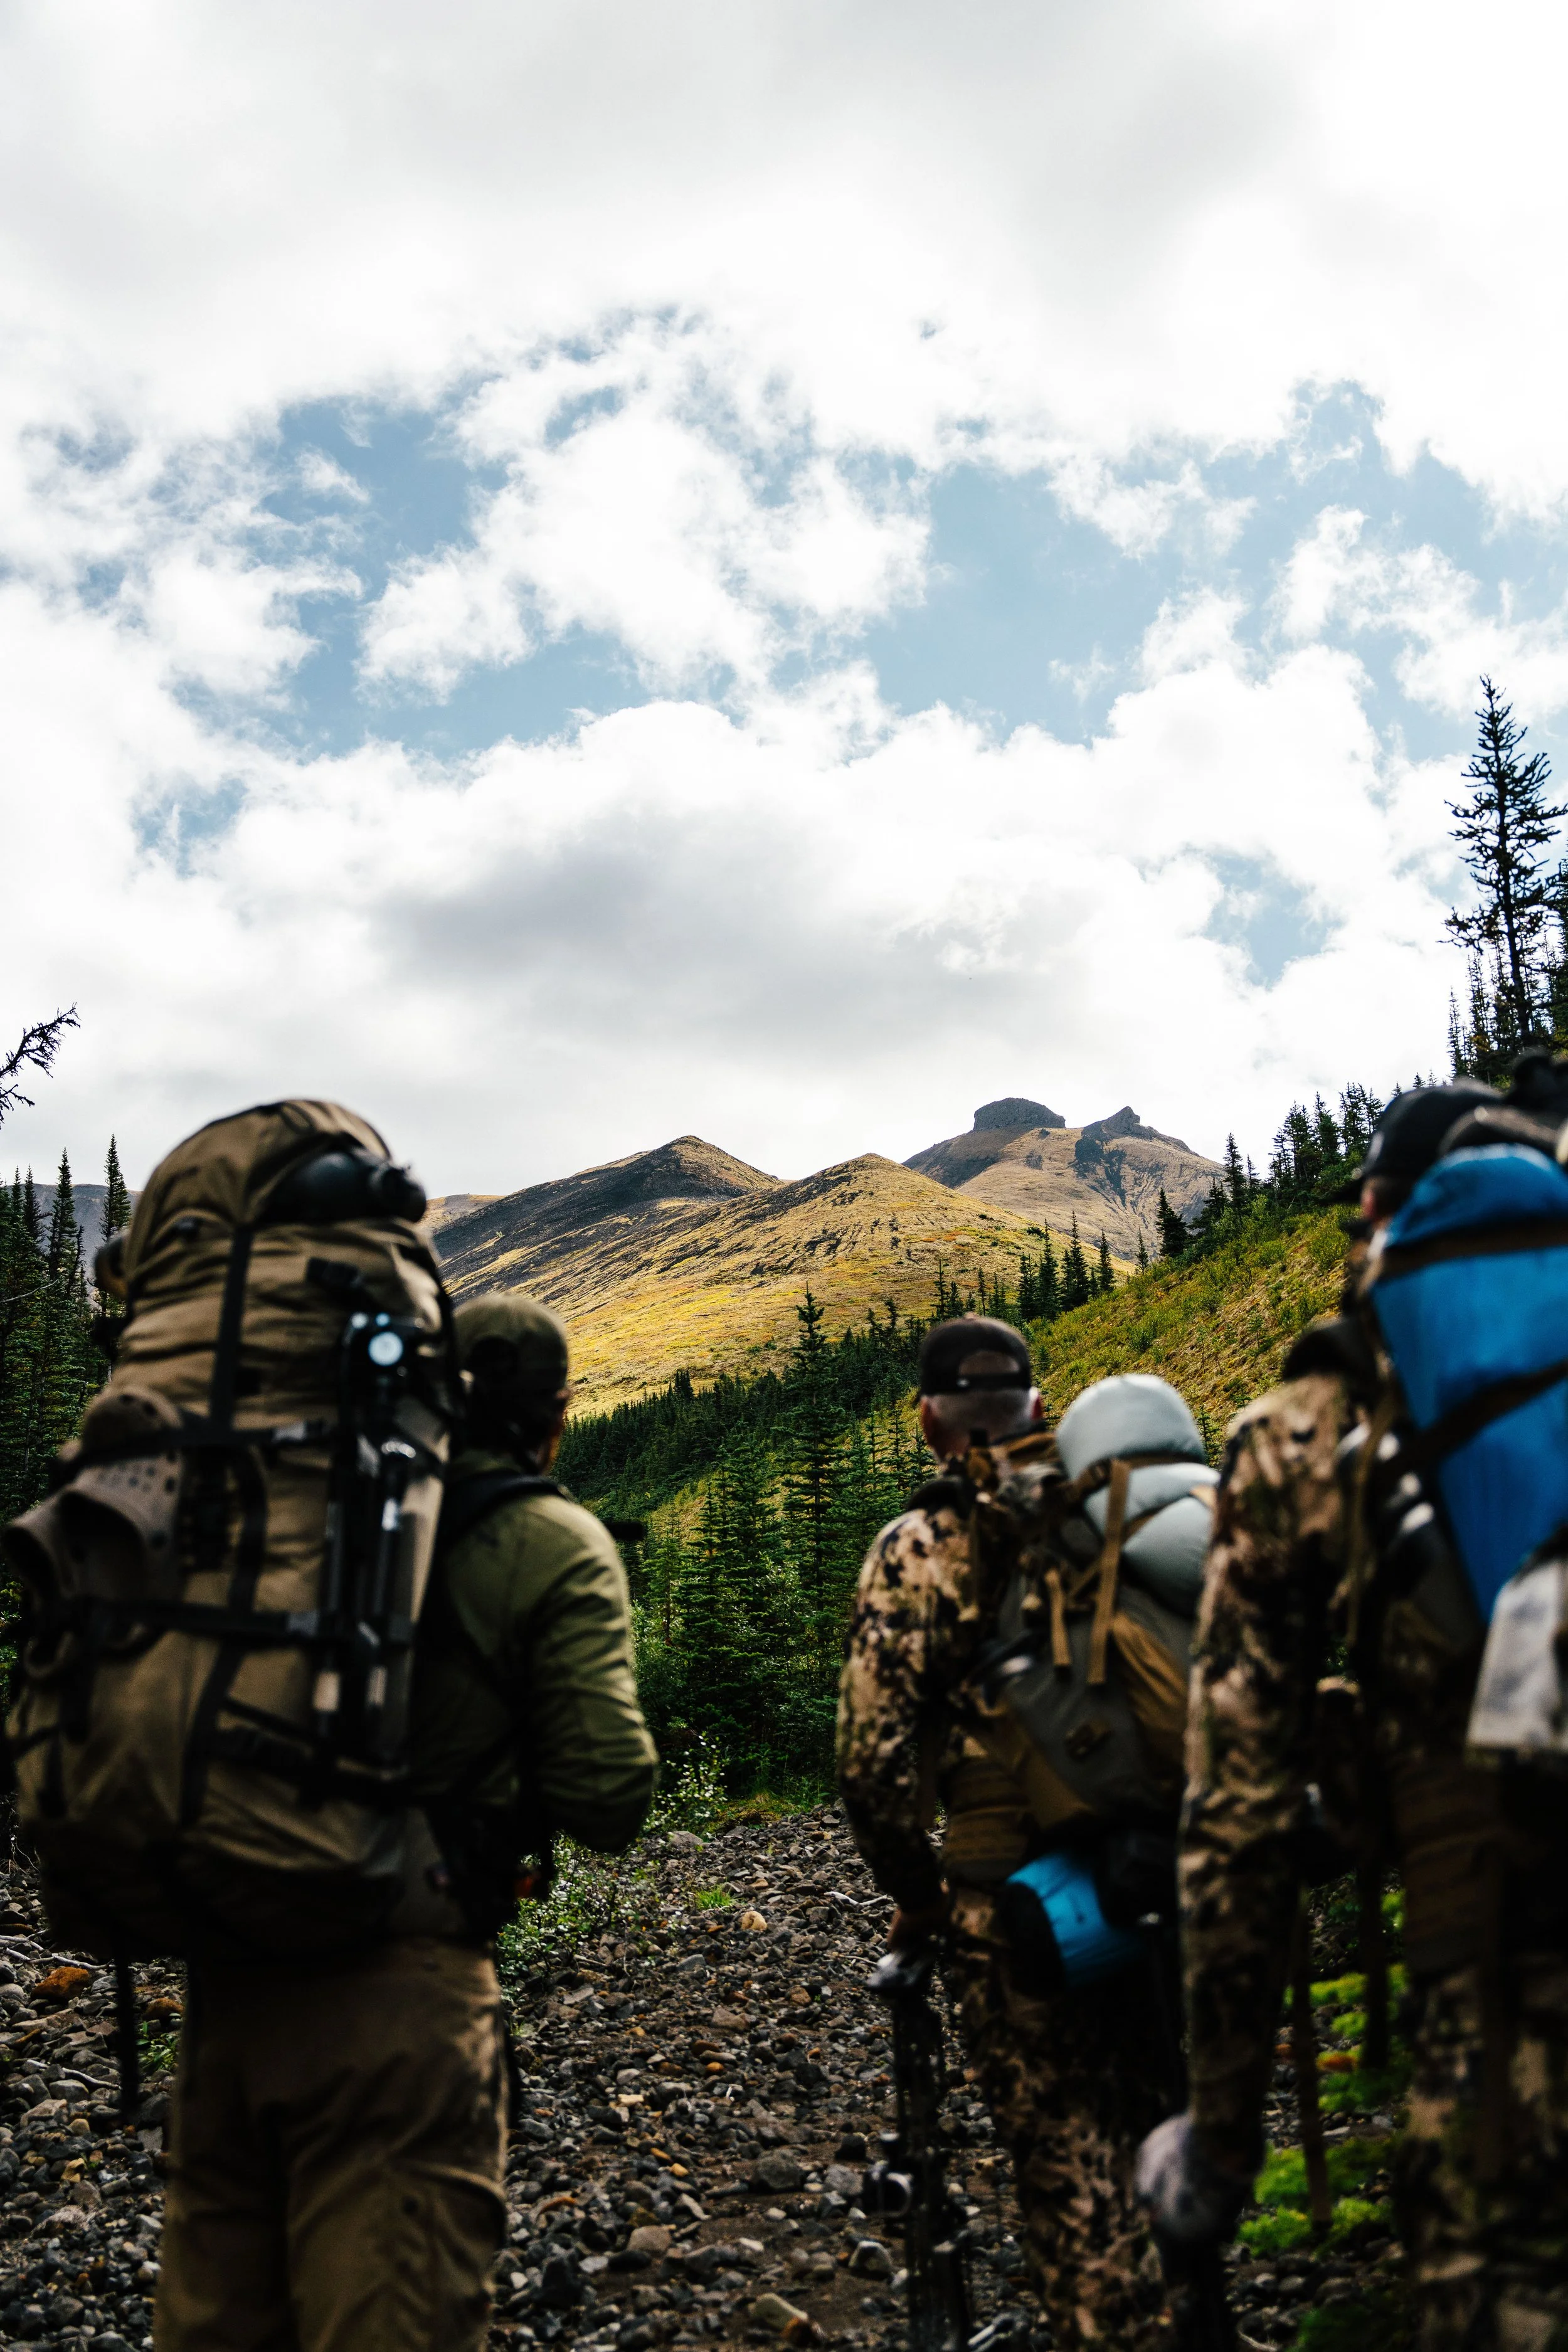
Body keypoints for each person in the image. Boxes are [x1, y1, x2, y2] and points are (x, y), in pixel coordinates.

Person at [1136, 1078, 1568, 2352]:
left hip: (1503, 1992)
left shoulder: (1309, 1429)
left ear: (1376, 1210)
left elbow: (1234, 1811)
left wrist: (1219, 2139)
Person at [155, 1289, 659, 2352]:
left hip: (229, 1983)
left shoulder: (295, 1510)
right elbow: (608, 1797)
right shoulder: (549, 1540)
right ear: (554, 1411)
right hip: (401, 1989)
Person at [836, 1315, 1173, 2352]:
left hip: (1017, 1908)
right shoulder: (1130, 1511)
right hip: (1161, 1878)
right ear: (1039, 1403)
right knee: (1164, 2126)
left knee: (1072, 2172)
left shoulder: (918, 1549)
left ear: (930, 1420)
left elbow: (872, 1762)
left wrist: (924, 1893)